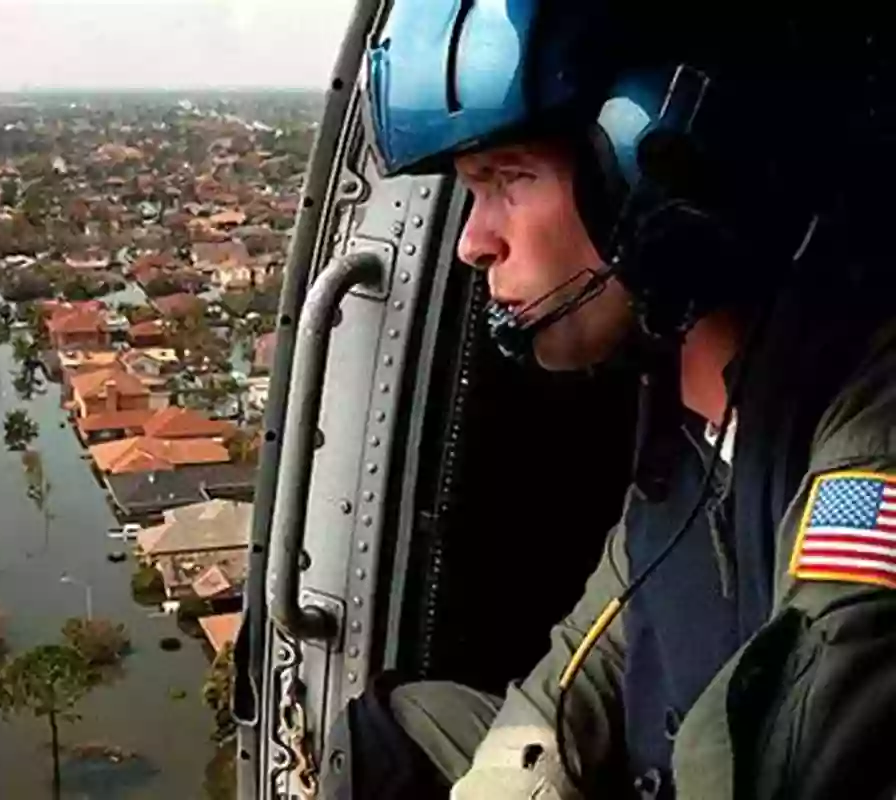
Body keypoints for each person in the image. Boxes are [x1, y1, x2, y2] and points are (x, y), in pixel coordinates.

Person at [321, 2, 896, 799]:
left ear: (656, 175)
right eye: (471, 190)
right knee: (391, 731)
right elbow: (610, 631)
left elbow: (787, 750)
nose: (472, 242)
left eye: (510, 179)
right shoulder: (683, 402)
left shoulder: (869, 412)